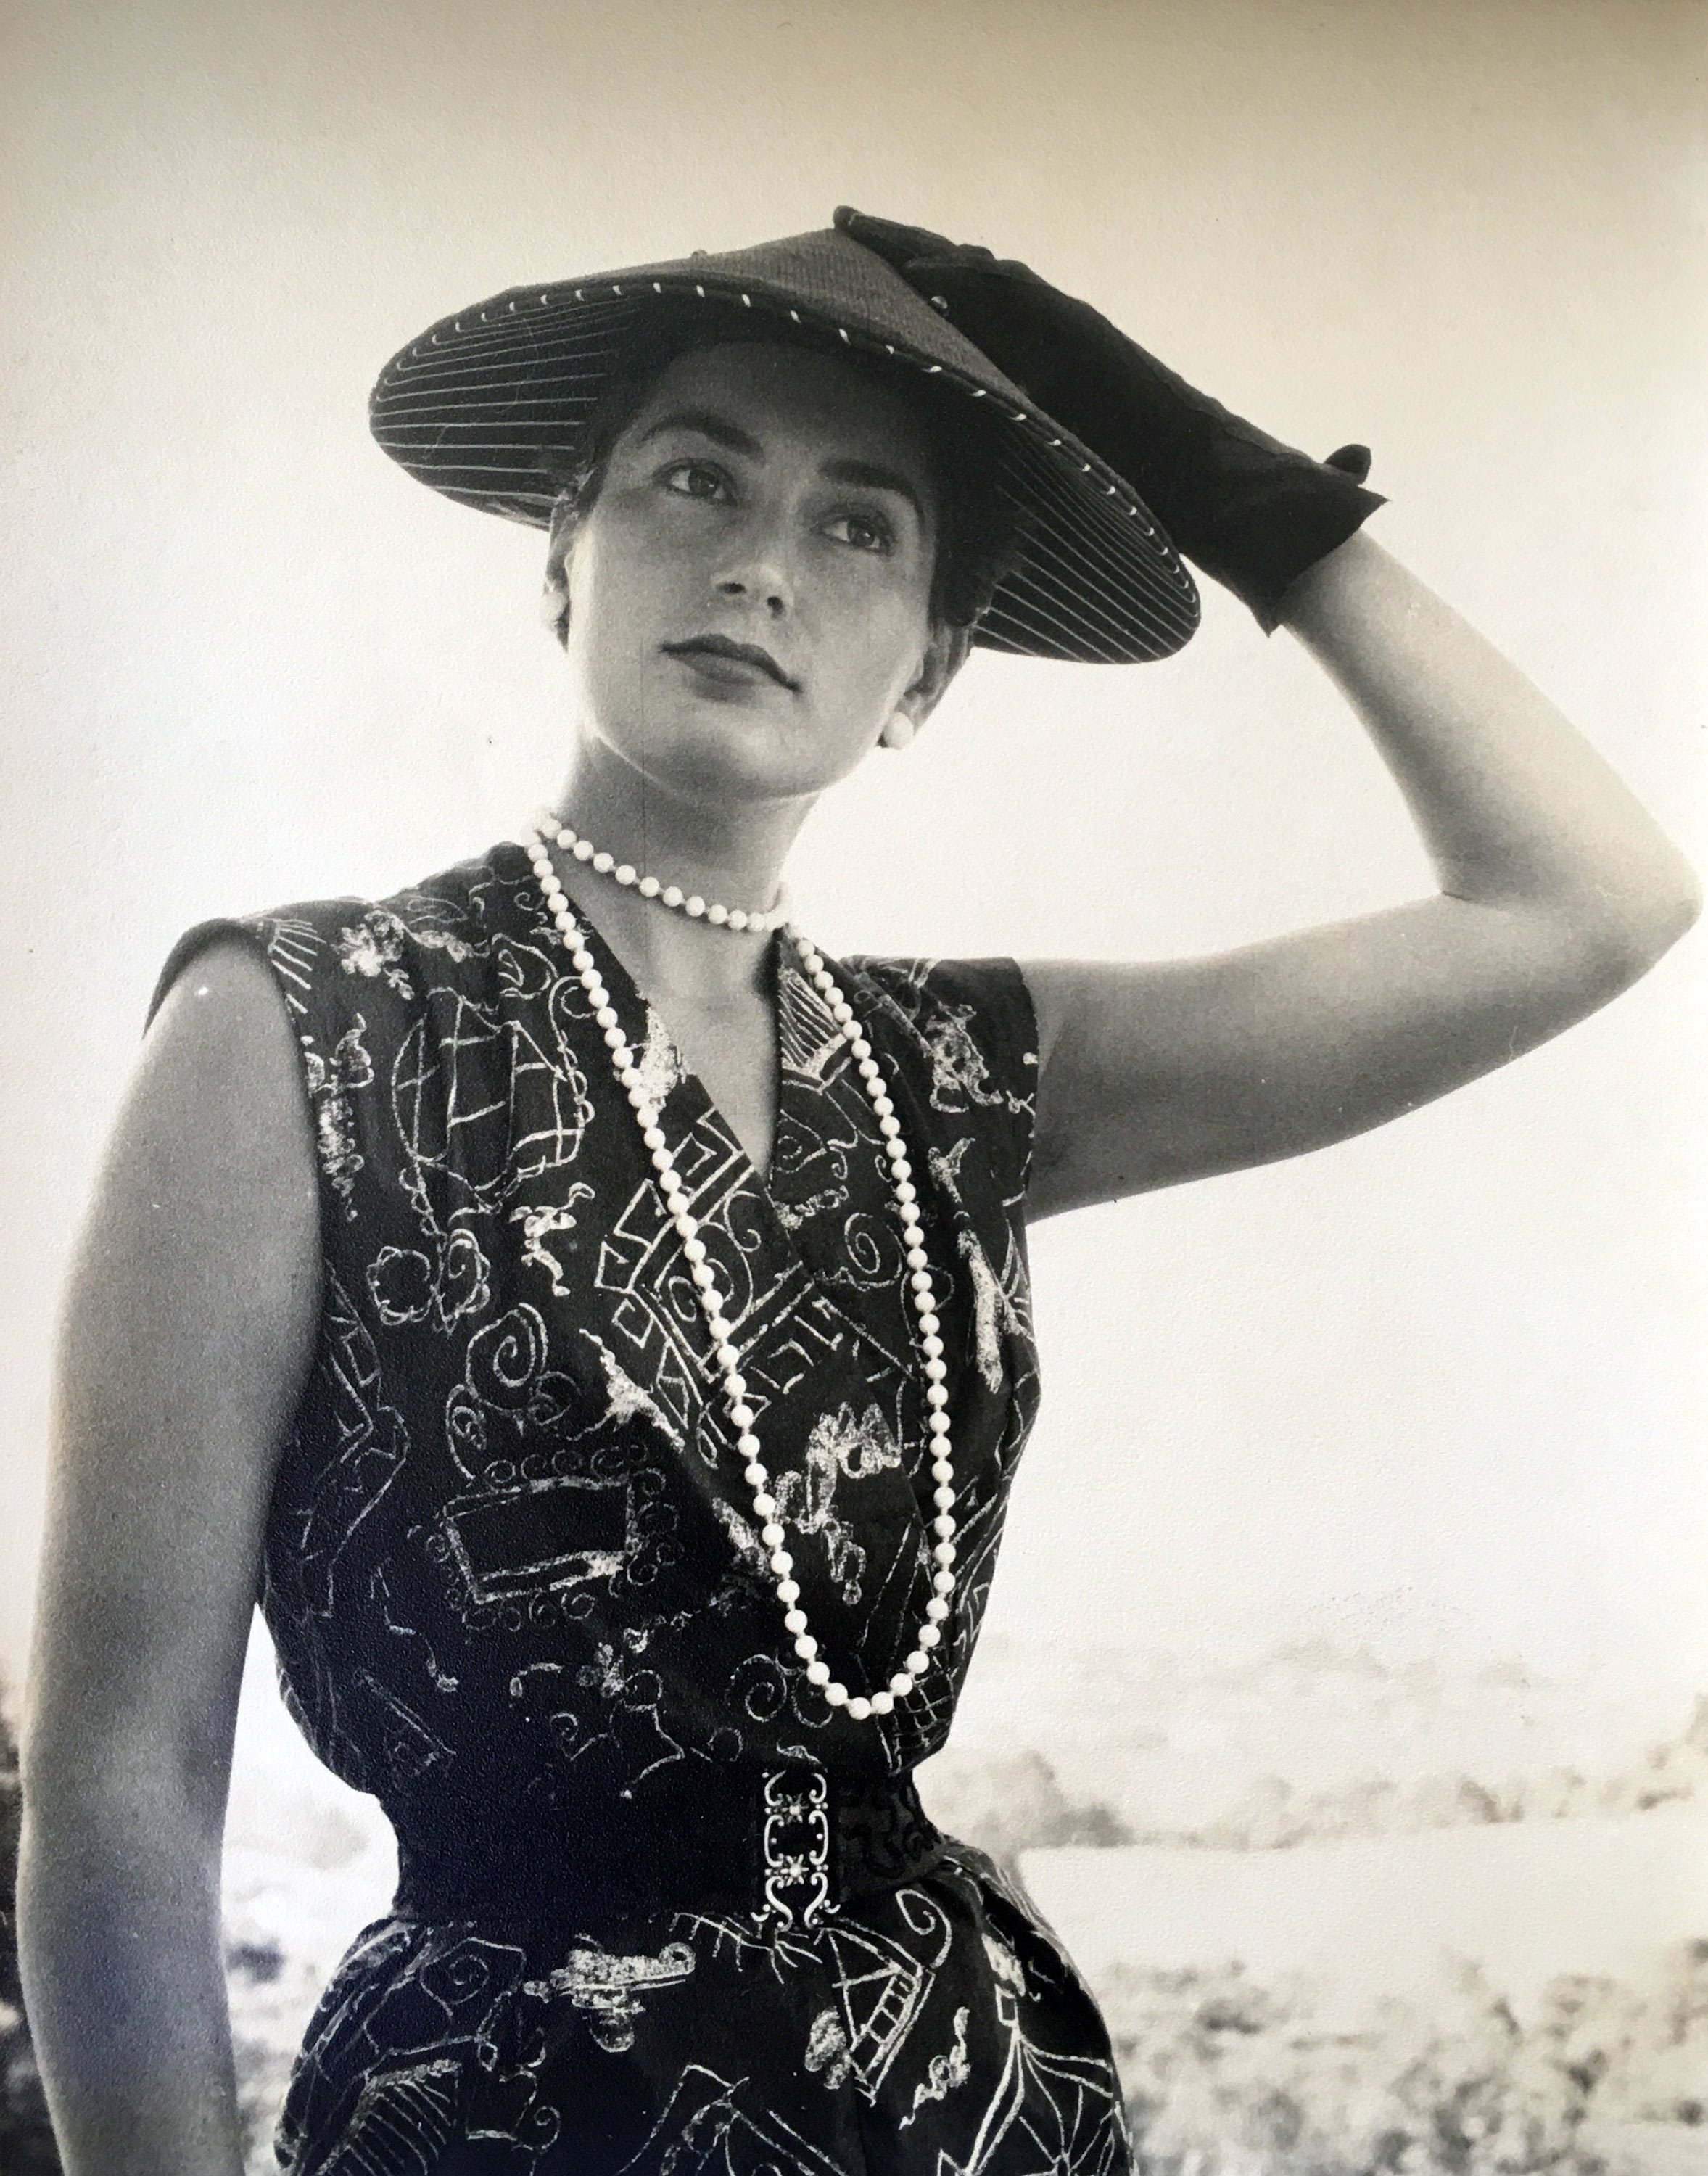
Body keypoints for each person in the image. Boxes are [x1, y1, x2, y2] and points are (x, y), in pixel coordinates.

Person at [16, 209, 1698, 2176]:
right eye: (695, 479)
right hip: (498, 2118)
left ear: (928, 671)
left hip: (963, 2106)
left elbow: (1585, 900)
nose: (759, 565)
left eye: (858, 527)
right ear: (563, 553)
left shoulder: (959, 1081)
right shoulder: (297, 1025)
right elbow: (123, 1778)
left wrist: (1234, 495)